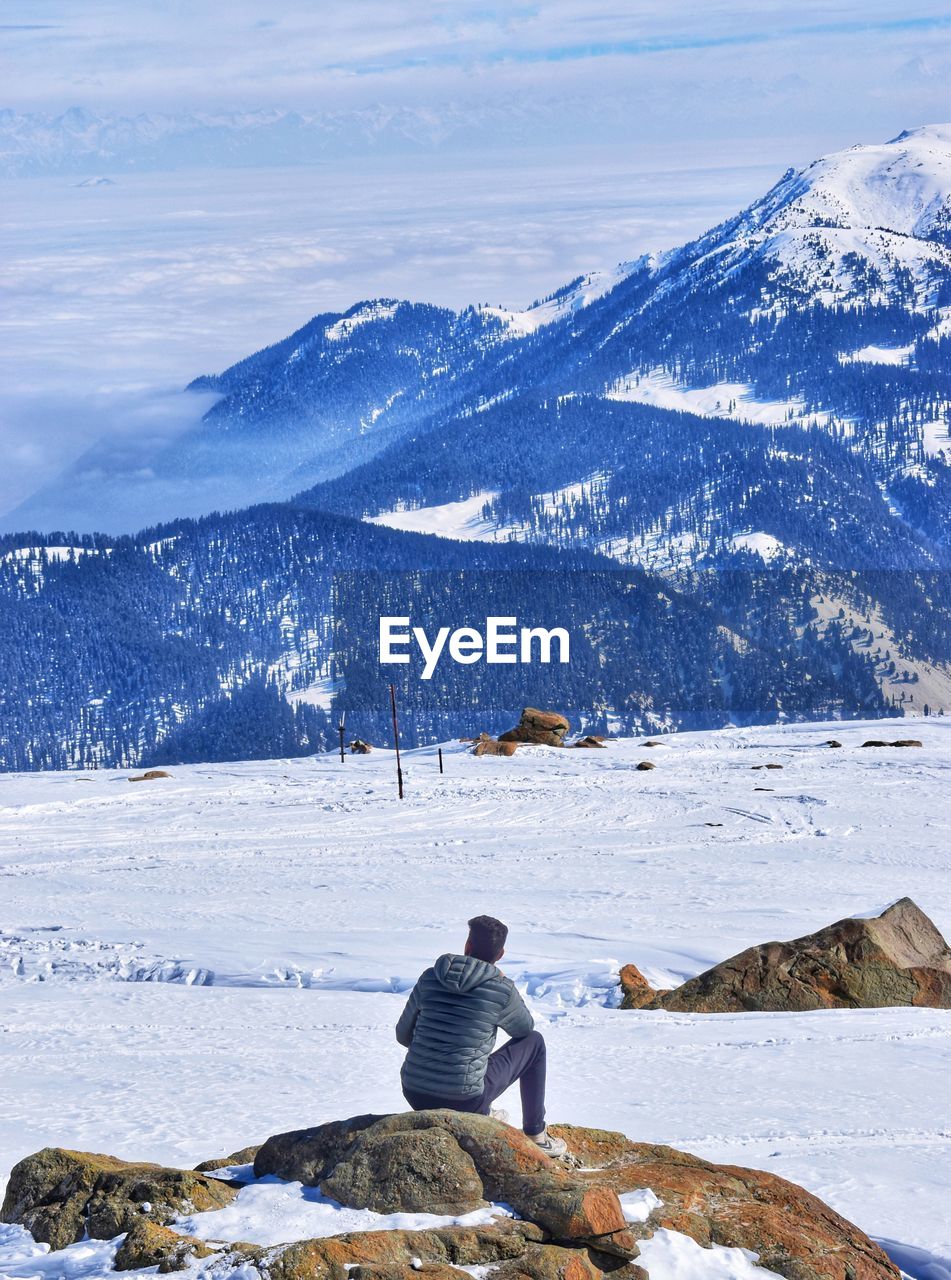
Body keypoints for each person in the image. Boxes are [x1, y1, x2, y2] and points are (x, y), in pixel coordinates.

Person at [396, 914, 567, 1156]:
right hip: (465, 1100)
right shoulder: (500, 988)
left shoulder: (430, 977)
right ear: (500, 955)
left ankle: (483, 1111)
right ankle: (535, 1134)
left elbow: (403, 1035)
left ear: (467, 946)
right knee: (535, 1042)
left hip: (415, 1092)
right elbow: (524, 1030)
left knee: (470, 1053)